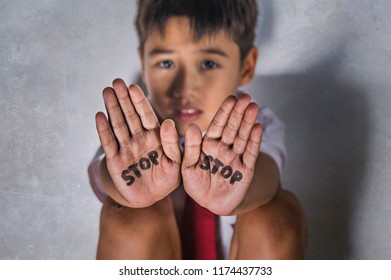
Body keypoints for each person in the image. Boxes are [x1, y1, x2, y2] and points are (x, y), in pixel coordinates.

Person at [88, 0, 307, 260]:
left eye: (208, 64)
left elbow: (267, 178)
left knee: (278, 212)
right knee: (128, 213)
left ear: (246, 66)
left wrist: (237, 195)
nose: (185, 87)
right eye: (166, 63)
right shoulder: (136, 133)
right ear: (143, 64)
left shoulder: (254, 125)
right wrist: (128, 189)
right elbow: (108, 173)